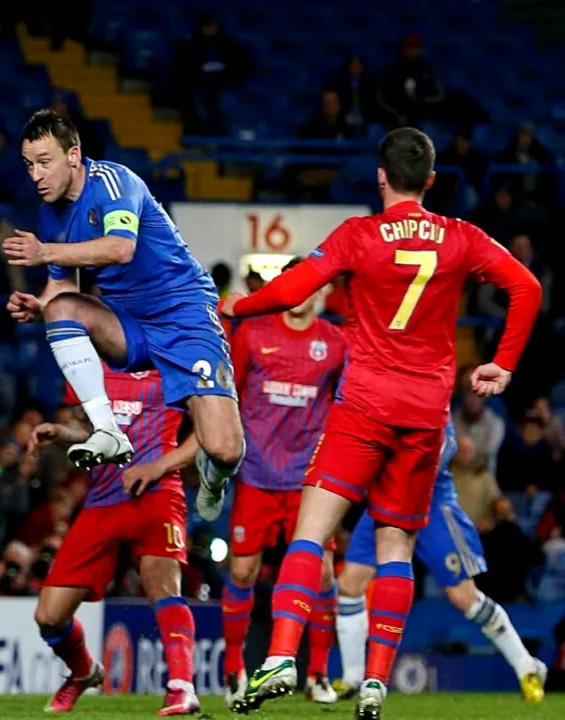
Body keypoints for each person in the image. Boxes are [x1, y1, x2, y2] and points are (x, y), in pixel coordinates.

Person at [221, 127, 542, 719]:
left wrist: (238, 306)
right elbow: (526, 285)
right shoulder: (460, 236)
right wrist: (503, 363)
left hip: (365, 405)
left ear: (380, 176)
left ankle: (283, 656)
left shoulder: (359, 236)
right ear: (432, 180)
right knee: (395, 546)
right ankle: (373, 685)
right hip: (424, 418)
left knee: (311, 532)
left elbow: (298, 285)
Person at [4, 109, 243, 524]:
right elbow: (63, 290)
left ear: (73, 155)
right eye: (29, 165)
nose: (36, 175)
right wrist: (39, 309)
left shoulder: (115, 181)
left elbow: (120, 248)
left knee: (225, 448)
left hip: (184, 316)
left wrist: (44, 252)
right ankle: (106, 430)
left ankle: (214, 474)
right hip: (129, 324)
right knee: (60, 309)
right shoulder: (50, 213)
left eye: (45, 162)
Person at [29, 359, 202, 716]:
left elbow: (211, 434)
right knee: (49, 615)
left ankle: (182, 687)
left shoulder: (173, 357)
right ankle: (82, 672)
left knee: (165, 589)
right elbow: (98, 430)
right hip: (104, 497)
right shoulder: (92, 361)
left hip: (157, 491)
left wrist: (159, 466)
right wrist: (64, 434)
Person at [335, 422, 547, 703]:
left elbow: (446, 445)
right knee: (350, 584)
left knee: (464, 596)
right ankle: (352, 678)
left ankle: (526, 666)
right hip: (385, 502)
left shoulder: (429, 389)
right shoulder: (379, 393)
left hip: (431, 504)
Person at [222, 257, 347, 706]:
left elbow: (347, 405)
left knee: (325, 573)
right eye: (293, 285)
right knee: (241, 571)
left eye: (312, 287)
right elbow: (227, 397)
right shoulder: (252, 334)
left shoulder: (336, 343)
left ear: (323, 293)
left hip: (308, 481)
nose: (303, 294)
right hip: (256, 474)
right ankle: (235, 666)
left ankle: (318, 673)